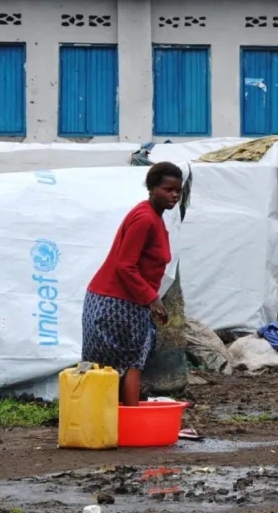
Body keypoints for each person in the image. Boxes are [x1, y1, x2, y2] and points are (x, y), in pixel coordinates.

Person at [81, 162, 182, 406]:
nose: (174, 195)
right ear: (151, 188)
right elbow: (125, 265)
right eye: (168, 189)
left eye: (178, 191)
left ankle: (109, 418)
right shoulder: (145, 219)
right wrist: (152, 298)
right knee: (130, 364)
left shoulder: (153, 217)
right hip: (117, 303)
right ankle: (129, 419)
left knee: (115, 366)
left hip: (117, 299)